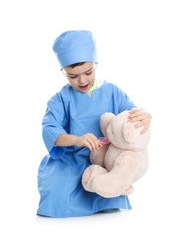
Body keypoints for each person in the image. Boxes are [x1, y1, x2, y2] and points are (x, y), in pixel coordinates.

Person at [36, 30, 152, 218]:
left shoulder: (112, 92)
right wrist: (77, 139)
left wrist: (145, 114)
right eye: (72, 76)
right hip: (71, 159)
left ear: (96, 64)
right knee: (57, 193)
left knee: (108, 190)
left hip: (105, 160)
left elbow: (132, 112)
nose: (82, 80)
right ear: (63, 72)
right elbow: (49, 129)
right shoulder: (60, 100)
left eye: (88, 72)